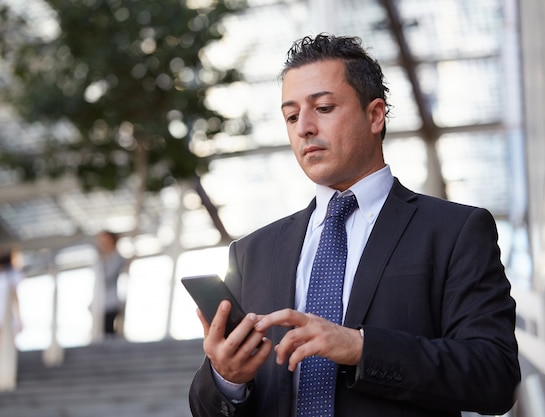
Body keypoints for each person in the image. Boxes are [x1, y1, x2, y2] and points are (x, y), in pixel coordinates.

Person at [188, 34, 520, 417]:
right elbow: (207, 408)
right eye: (292, 116)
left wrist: (361, 347)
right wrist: (226, 377)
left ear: (375, 115)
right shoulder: (251, 253)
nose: (304, 128)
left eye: (324, 107)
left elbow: (495, 376)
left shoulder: (454, 230)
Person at [91, 230, 127, 339]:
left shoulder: (116, 258)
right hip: (100, 303)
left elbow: (107, 277)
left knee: (108, 330)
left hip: (111, 302)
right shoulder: (100, 259)